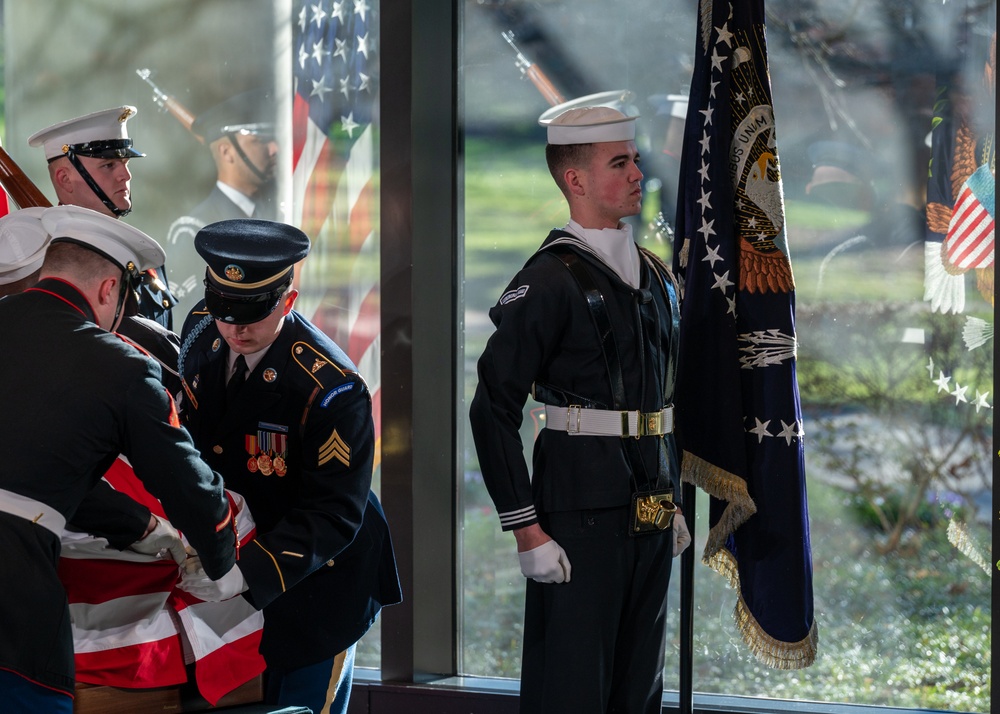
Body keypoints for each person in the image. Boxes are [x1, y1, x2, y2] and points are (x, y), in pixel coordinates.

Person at [468, 106, 692, 714]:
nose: (638, 174)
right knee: (571, 689)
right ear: (576, 181)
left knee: (639, 688)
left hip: (648, 509)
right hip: (578, 519)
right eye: (618, 163)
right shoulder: (544, 282)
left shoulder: (656, 275)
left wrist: (667, 494)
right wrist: (526, 529)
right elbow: (491, 410)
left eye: (636, 159)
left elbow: (663, 396)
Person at [0, 204, 240, 713]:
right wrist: (218, 558)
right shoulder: (122, 367)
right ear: (110, 290)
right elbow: (188, 487)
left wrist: (141, 527)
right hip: (11, 602)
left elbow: (36, 479)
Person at [177, 218, 401, 714]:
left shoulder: (329, 387)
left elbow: (334, 514)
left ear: (288, 300)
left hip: (316, 583)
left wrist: (247, 574)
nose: (236, 327)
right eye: (225, 308)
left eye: (254, 311)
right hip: (232, 565)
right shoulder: (201, 328)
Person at [27, 105, 177, 330]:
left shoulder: (139, 253)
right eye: (108, 165)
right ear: (65, 179)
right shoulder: (38, 262)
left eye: (125, 163)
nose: (126, 175)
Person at [165, 90, 279, 316]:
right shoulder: (194, 230)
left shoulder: (276, 213)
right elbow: (187, 317)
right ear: (227, 151)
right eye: (260, 140)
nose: (274, 149)